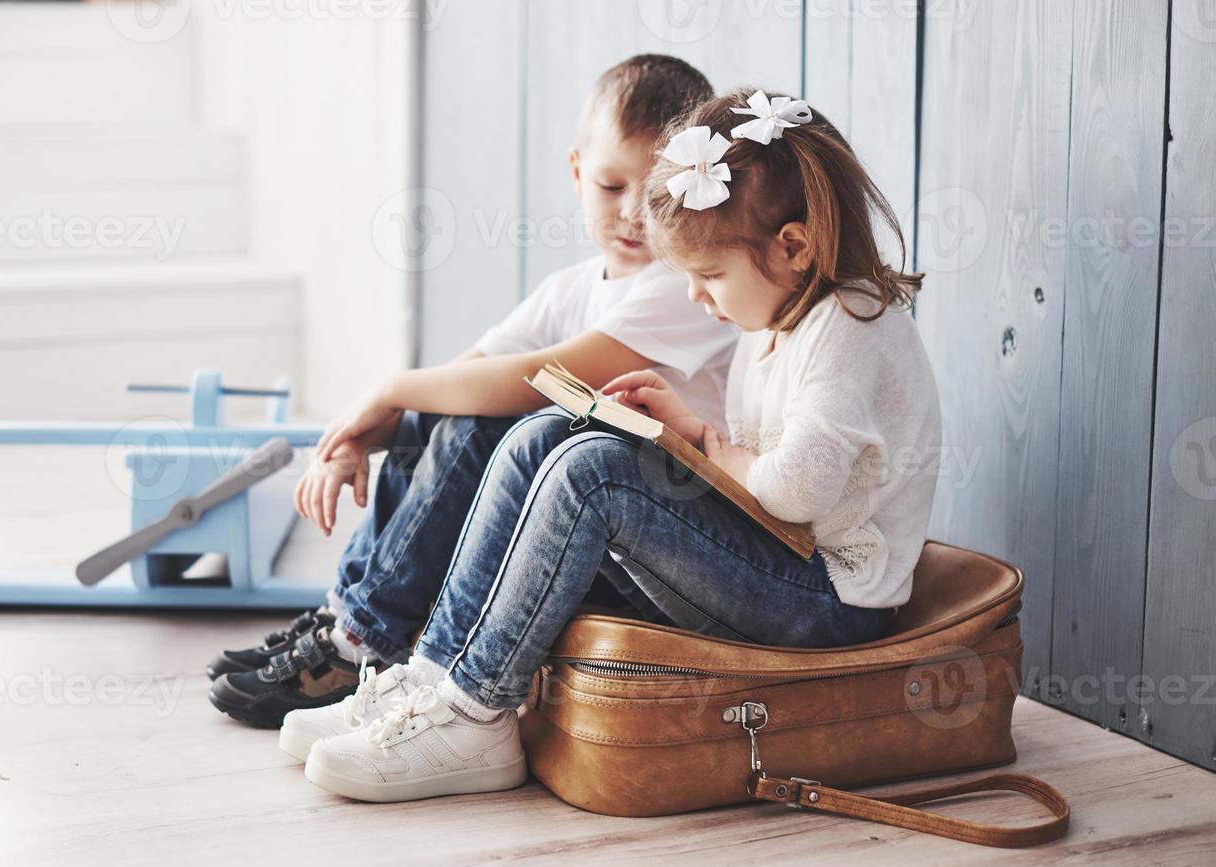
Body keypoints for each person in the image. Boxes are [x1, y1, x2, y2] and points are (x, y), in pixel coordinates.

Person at [295, 87, 944, 803]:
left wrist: (706, 445)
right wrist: (686, 434)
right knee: (547, 432)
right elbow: (766, 473)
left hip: (830, 599)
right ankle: (431, 682)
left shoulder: (849, 327)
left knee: (595, 475)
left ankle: (475, 712)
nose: (700, 298)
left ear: (794, 246)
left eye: (709, 277)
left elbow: (794, 491)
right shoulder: (784, 316)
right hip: (781, 557)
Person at [207, 55, 736, 732]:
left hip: (656, 535)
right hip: (573, 521)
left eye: (655, 193)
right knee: (443, 412)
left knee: (483, 422)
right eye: (611, 185)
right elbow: (463, 374)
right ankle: (352, 623)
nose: (634, 214)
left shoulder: (684, 289)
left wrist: (389, 387)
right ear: (577, 173)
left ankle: (364, 640)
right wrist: (370, 425)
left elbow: (536, 379)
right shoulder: (571, 289)